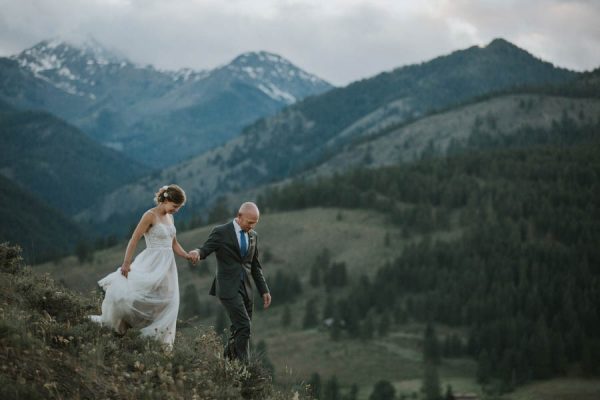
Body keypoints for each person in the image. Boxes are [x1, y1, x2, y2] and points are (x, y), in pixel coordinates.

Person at [91, 184, 193, 347]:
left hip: (167, 268)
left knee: (167, 302)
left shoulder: (170, 217)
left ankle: (157, 340)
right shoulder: (149, 215)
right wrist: (126, 262)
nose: (176, 210)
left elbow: (173, 243)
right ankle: (122, 326)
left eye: (178, 207)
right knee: (137, 296)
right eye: (175, 206)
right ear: (166, 200)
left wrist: (186, 255)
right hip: (151, 262)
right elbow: (134, 239)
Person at [189, 202, 271, 363]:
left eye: (255, 223)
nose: (252, 226)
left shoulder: (254, 236)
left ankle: (225, 363)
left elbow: (254, 266)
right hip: (227, 287)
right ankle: (244, 369)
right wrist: (197, 252)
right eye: (249, 222)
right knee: (244, 326)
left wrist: (264, 290)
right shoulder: (221, 232)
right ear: (239, 217)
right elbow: (206, 249)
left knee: (240, 330)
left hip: (247, 289)